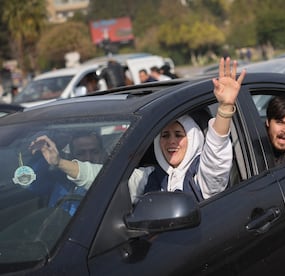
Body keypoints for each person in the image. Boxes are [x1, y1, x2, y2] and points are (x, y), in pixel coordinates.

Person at [30, 57, 246, 203]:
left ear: (194, 138)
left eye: (179, 135)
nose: (171, 142)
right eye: (165, 135)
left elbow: (216, 159)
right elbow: (100, 178)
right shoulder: (149, 177)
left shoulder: (202, 177)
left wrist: (225, 108)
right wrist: (59, 163)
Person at [29, 131, 107, 215]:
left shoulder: (113, 179)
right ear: (71, 156)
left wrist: (59, 162)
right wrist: (47, 153)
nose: (88, 158)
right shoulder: (61, 181)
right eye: (80, 153)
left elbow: (90, 175)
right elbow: (33, 185)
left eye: (94, 152)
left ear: (103, 154)